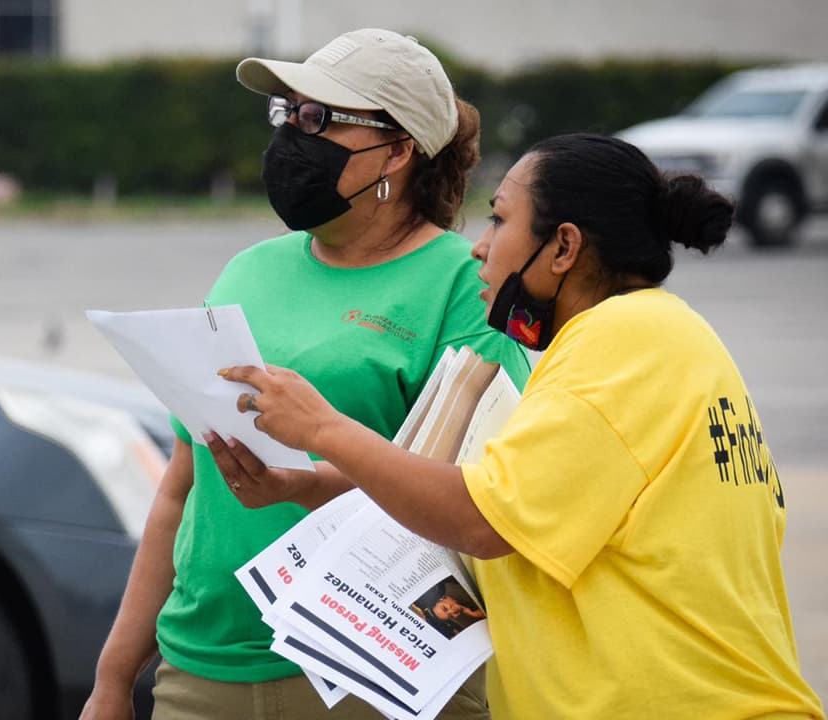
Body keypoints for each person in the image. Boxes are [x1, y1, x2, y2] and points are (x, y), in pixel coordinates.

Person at [213, 133, 825, 719]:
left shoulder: (623, 341)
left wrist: (323, 428)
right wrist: (311, 484)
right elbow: (486, 490)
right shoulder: (658, 337)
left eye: (499, 219)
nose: (480, 245)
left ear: (563, 247)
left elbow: (480, 519)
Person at [82, 29, 530, 720]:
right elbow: (181, 486)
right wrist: (113, 678)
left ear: (400, 148)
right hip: (201, 670)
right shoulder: (249, 270)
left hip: (372, 670)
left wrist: (311, 473)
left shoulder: (462, 288)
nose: (294, 134)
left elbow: (475, 499)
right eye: (287, 113)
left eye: (319, 118)